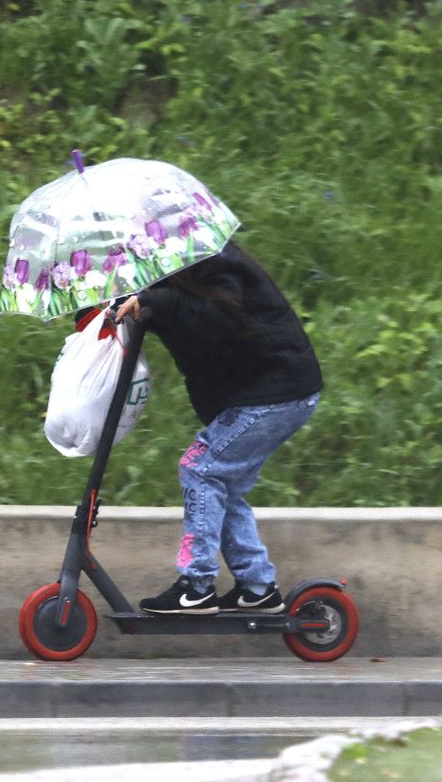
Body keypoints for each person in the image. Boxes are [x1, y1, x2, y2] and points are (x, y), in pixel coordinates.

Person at [110, 240, 322, 615]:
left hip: (277, 391)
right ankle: (257, 587)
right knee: (222, 484)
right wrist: (139, 307)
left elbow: (219, 317)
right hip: (256, 393)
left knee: (200, 468)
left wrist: (158, 303)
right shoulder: (175, 266)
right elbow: (189, 322)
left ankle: (197, 585)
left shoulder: (218, 261)